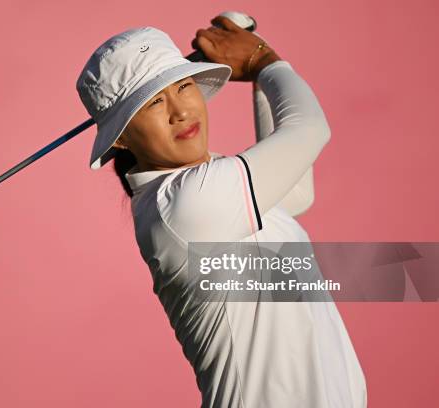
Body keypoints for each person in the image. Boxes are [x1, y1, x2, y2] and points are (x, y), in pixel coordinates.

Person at [76, 15, 367, 408]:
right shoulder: (184, 203)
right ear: (122, 137)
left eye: (183, 86)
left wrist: (260, 73)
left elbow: (294, 194)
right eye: (154, 102)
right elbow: (310, 130)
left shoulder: (202, 186)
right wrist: (265, 61)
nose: (179, 111)